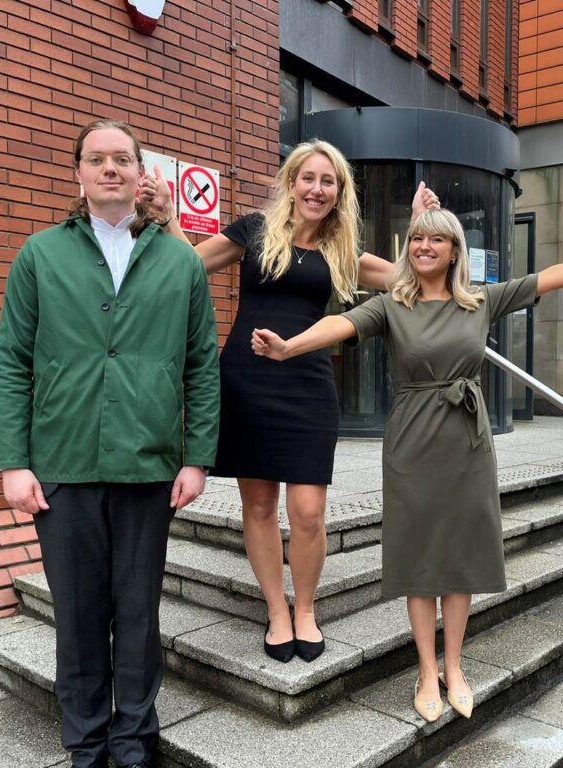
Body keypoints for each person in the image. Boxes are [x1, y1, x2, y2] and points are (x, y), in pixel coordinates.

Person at [252, 209, 563, 720]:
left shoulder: (482, 299)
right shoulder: (391, 304)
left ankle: (455, 666)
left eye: (436, 239)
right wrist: (289, 348)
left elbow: (551, 276)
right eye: (416, 238)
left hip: (466, 441)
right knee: (419, 558)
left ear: (454, 250)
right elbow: (339, 322)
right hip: (411, 441)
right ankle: (425, 669)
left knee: (460, 556)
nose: (423, 246)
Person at [144, 142, 436, 663]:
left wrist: (418, 229)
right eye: (308, 178)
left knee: (308, 511)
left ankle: (306, 609)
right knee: (257, 505)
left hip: (307, 382)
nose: (317, 189)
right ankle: (277, 611)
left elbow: (406, 279)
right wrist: (168, 217)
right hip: (247, 380)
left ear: (338, 193)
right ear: (291, 181)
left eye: (328, 181)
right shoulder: (254, 230)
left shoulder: (341, 248)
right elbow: (188, 265)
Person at [0, 119, 220, 768]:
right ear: (80, 174)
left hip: (148, 468)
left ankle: (135, 741)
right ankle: (87, 745)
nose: (110, 168)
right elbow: (11, 360)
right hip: (63, 467)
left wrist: (197, 456)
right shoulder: (40, 254)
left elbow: (201, 364)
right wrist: (13, 461)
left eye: (123, 158)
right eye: (98, 159)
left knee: (139, 617)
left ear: (142, 172)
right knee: (80, 621)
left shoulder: (179, 261)